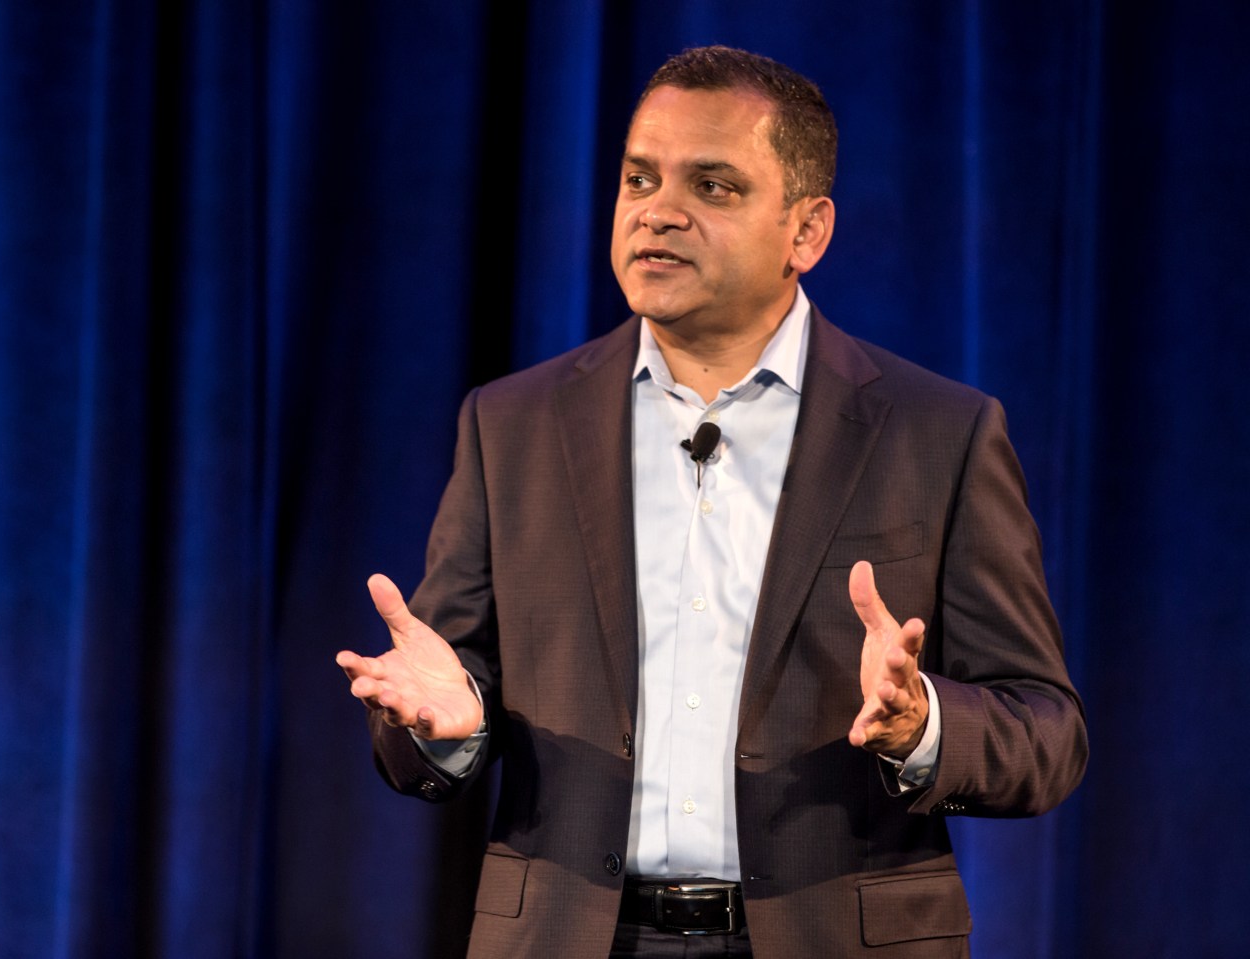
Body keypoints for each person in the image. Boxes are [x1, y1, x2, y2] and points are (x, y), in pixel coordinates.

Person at [336, 45, 1087, 959]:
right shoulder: (512, 425)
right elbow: (447, 692)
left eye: (713, 186)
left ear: (806, 232)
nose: (658, 210)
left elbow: (1046, 732)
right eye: (639, 178)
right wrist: (446, 726)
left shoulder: (938, 433)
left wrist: (923, 723)